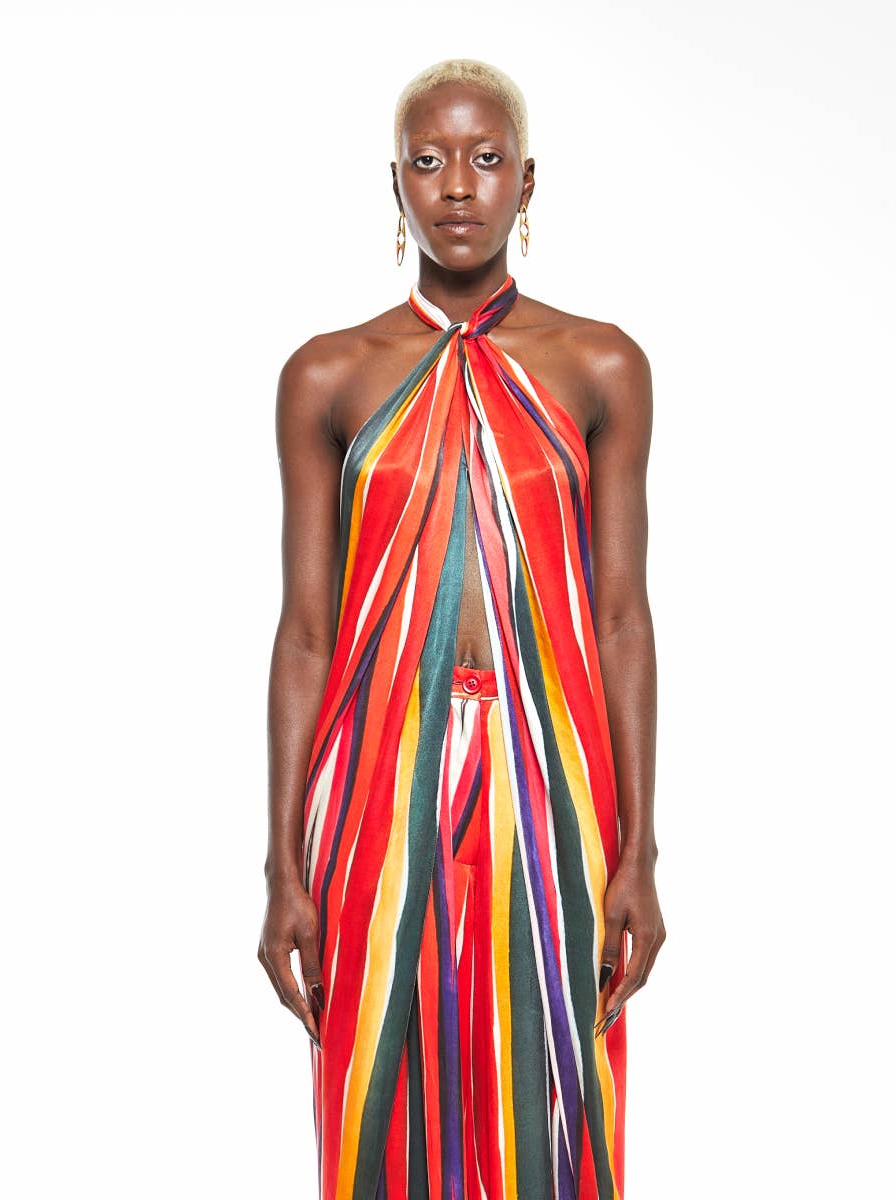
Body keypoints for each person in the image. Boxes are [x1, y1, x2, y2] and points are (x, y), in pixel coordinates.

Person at [260, 57, 665, 1199]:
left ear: (526, 182)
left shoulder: (602, 365)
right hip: (377, 792)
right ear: (394, 183)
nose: (456, 185)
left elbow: (622, 617)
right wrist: (284, 866)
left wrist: (638, 850)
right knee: (377, 1111)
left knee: (555, 1109)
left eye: (485, 159)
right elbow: (305, 632)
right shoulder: (327, 375)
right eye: (429, 160)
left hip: (552, 784)